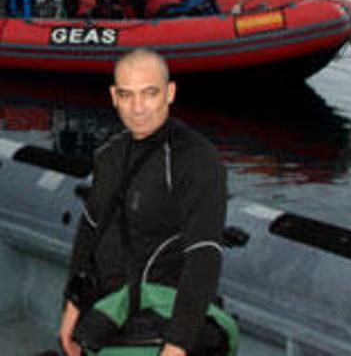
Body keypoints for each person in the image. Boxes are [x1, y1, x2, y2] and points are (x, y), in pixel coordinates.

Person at [60, 49, 228, 356]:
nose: (137, 108)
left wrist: (176, 346)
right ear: (114, 96)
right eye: (126, 95)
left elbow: (204, 254)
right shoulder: (110, 154)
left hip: (162, 320)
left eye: (149, 93)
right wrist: (70, 311)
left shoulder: (194, 158)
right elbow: (90, 233)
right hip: (110, 315)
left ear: (170, 92)